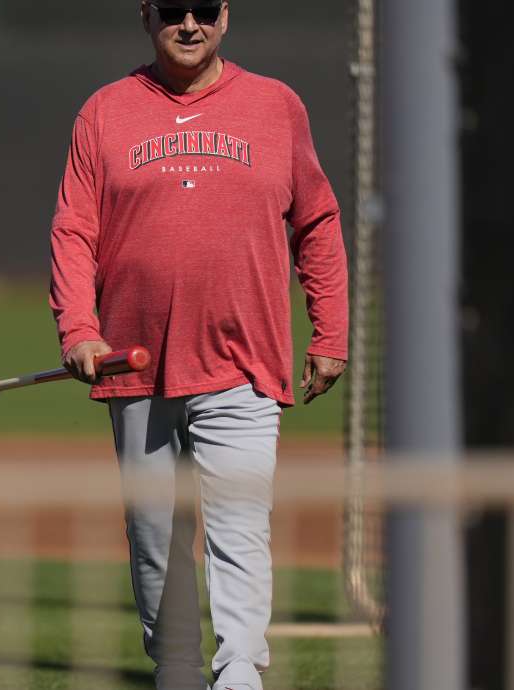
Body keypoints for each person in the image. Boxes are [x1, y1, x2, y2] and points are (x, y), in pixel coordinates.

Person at [48, 1, 348, 688]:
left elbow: (319, 221)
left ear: (226, 15)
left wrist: (329, 331)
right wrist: (79, 329)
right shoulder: (105, 111)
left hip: (243, 363)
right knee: (155, 541)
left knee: (240, 529)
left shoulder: (276, 107)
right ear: (146, 15)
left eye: (204, 9)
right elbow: (73, 230)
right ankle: (177, 670)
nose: (190, 24)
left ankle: (240, 669)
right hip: (134, 367)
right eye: (173, 9)